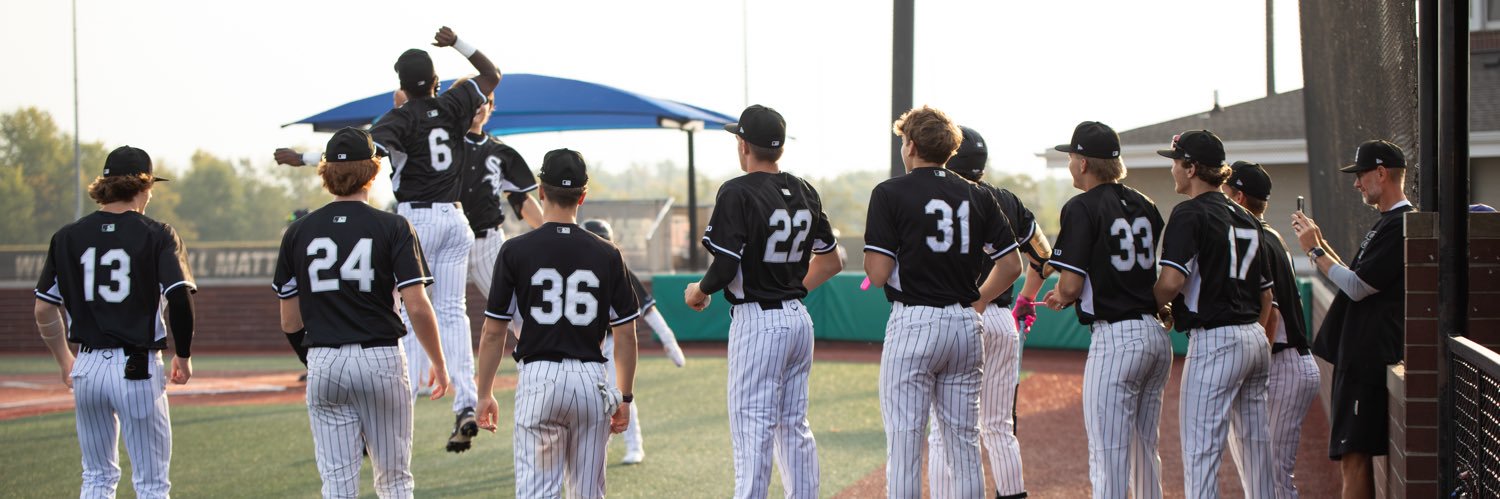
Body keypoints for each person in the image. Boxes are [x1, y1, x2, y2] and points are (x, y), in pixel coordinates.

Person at [274, 26, 501, 452]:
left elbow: (357, 157)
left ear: (401, 86)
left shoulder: (398, 118)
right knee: (453, 312)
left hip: (416, 220)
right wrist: (458, 43)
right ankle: (465, 404)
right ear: (435, 81)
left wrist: (301, 158)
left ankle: (401, 406)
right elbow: (492, 74)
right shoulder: (454, 102)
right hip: (456, 218)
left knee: (408, 313)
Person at [274, 128, 451, 498]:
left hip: (324, 358)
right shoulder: (394, 225)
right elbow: (417, 306)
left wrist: (316, 360)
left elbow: (290, 321)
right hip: (380, 356)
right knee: (394, 480)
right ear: (373, 172)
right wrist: (438, 361)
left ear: (326, 172)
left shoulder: (298, 231)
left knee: (337, 484)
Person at [683, 104, 842, 498]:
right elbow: (832, 261)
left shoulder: (737, 190)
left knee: (753, 427)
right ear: (780, 148)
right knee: (793, 426)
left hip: (758, 322)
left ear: (743, 145)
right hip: (798, 318)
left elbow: (725, 266)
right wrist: (788, 289)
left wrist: (699, 291)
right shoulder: (805, 190)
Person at [865, 106, 1023, 499]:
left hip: (914, 322)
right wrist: (977, 301)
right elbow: (1011, 265)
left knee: (905, 446)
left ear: (911, 146)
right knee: (963, 447)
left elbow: (878, 273)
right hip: (965, 322)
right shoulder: (979, 194)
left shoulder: (889, 192)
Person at [474, 149, 639, 497]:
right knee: (588, 492)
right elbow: (626, 334)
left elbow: (492, 333)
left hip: (540, 377)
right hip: (591, 379)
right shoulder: (608, 252)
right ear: (583, 195)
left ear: (541, 191)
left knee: (538, 492)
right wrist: (624, 396)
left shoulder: (515, 250)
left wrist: (484, 393)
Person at [33, 145, 195, 499]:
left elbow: (43, 309)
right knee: (151, 484)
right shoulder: (158, 233)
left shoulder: (66, 236)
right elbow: (180, 298)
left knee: (96, 477)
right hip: (137, 365)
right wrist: (183, 354)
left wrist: (64, 360)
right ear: (143, 186)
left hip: (87, 366)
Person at [1041, 121, 1172, 499]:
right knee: (1144, 450)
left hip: (1117, 337)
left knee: (1108, 454)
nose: (1069, 164)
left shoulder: (1081, 206)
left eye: (1071, 157)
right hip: (1153, 330)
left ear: (1083, 163)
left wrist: (1062, 294)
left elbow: (1070, 286)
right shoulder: (1146, 203)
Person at [1152, 130, 1276, 498]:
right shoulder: (1247, 216)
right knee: (1257, 454)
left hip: (1216, 340)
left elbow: (1171, 281)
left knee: (1201, 453)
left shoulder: (1189, 212)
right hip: (1253, 335)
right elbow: (1267, 295)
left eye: (1176, 162)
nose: (1173, 169)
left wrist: (1150, 305)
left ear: (1191, 168)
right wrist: (1252, 332)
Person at [927, 125, 1048, 499]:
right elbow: (1043, 256)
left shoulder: (937, 198)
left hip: (954, 317)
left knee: (943, 430)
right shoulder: (1006, 199)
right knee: (999, 425)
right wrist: (1026, 298)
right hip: (1000, 318)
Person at [1291, 139, 1414, 499]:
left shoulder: (1400, 223)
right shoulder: (1388, 223)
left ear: (1381, 173)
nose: (1357, 183)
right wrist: (1319, 243)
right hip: (1360, 355)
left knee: (1353, 458)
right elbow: (1356, 278)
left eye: (1362, 175)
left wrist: (1314, 250)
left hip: (1367, 358)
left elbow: (1358, 288)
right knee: (1351, 456)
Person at [1224, 160, 1320, 498]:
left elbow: (1272, 316)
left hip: (1281, 365)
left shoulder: (1255, 239)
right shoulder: (1269, 234)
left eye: (1225, 192)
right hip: (1284, 363)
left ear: (1238, 197)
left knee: (1272, 480)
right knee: (1259, 479)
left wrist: (1250, 368)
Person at [580, 218, 688, 465]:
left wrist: (669, 341)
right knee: (588, 399)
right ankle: (595, 448)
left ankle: (634, 445)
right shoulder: (574, 267)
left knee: (621, 393)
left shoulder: (619, 269)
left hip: (611, 341)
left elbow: (648, 309)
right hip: (583, 345)